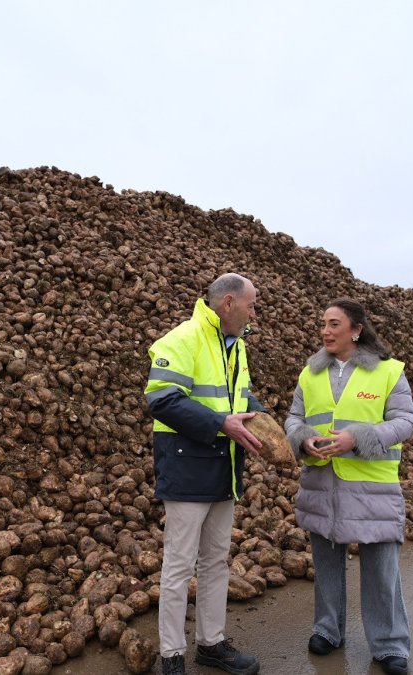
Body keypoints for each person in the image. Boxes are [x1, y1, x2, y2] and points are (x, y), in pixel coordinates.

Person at [284, 297, 413, 675]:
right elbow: (294, 418)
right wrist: (303, 438)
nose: (325, 331)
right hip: (322, 484)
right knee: (326, 563)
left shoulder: (389, 371)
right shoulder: (308, 374)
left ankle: (390, 645)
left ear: (356, 330)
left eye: (333, 324)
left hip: (371, 486)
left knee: (381, 569)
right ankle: (327, 631)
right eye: (323, 324)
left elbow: (406, 421)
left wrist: (358, 438)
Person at [144, 273, 265, 675]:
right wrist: (220, 424)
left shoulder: (237, 348)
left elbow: (241, 398)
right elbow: (161, 399)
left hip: (223, 468)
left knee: (215, 561)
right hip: (187, 466)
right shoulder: (182, 339)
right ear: (228, 303)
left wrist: (265, 423)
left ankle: (211, 644)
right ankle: (172, 655)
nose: (254, 312)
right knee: (179, 565)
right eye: (250, 304)